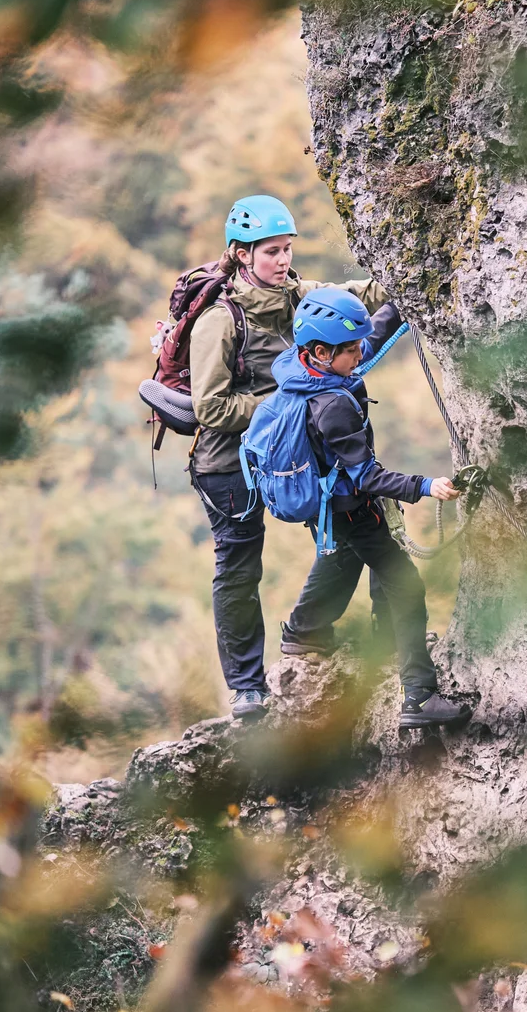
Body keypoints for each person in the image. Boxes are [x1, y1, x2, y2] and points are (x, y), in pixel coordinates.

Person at [189, 195, 391, 720]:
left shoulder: (303, 296)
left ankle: (306, 633)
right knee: (238, 567)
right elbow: (209, 405)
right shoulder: (220, 321)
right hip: (229, 462)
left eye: (286, 249)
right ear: (240, 255)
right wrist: (285, 407)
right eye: (271, 252)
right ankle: (247, 688)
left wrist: (406, 276)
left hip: (299, 453)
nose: (282, 261)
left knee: (350, 535)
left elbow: (363, 297)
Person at [272, 288, 472, 730]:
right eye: (349, 349)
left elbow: (369, 338)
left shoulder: (301, 368)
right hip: (351, 509)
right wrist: (424, 486)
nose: (359, 353)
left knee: (342, 563)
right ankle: (418, 696)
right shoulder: (332, 408)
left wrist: (402, 298)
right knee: (406, 586)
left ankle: (304, 634)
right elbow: (367, 477)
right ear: (322, 353)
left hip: (323, 506)